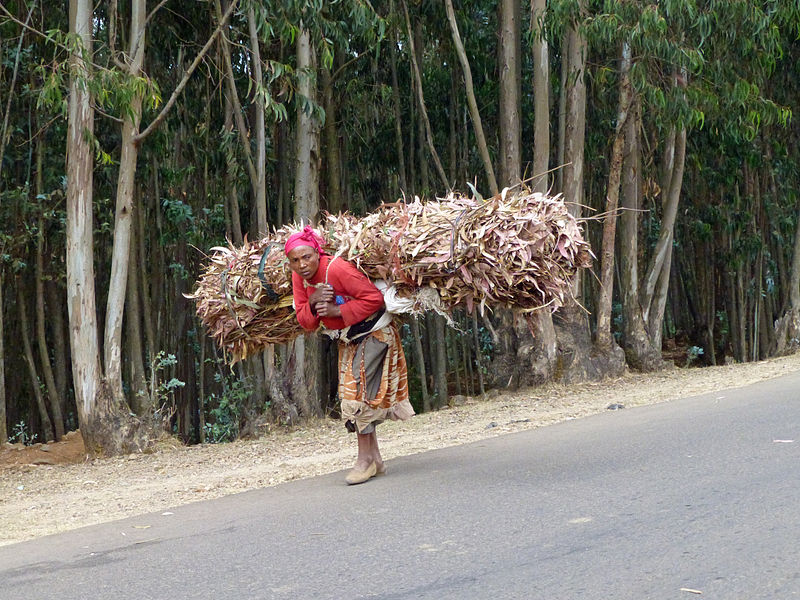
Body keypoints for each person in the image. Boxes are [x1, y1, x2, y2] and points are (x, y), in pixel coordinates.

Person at [285, 225, 415, 485]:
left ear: (317, 253)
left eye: (307, 257)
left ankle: (364, 461)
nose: (302, 264)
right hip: (349, 339)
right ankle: (375, 459)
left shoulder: (336, 269)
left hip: (375, 333)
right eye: (295, 260)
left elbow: (374, 300)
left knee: (358, 394)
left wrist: (336, 312)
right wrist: (312, 303)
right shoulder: (299, 278)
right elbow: (305, 321)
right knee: (353, 394)